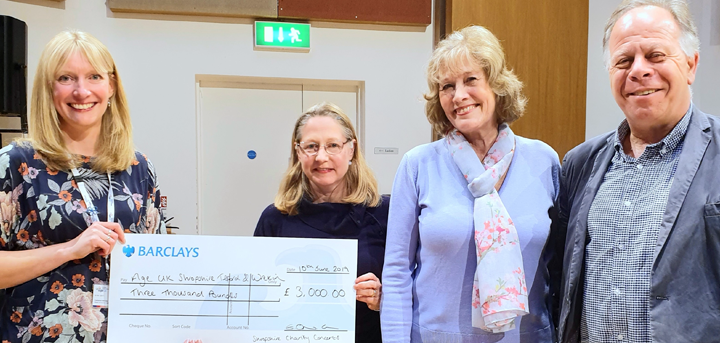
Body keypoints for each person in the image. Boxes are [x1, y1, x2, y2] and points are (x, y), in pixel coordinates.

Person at [552, 0, 720, 342]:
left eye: (656, 55)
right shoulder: (579, 163)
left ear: (690, 64)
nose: (638, 71)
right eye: (624, 60)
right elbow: (560, 279)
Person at [381, 25, 560, 342]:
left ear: (496, 84)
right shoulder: (418, 165)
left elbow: (560, 268)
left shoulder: (543, 161)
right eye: (447, 86)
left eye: (470, 80)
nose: (458, 95)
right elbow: (396, 273)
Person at [0, 30, 165, 342]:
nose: (81, 90)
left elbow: (159, 265)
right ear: (48, 88)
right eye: (66, 78)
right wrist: (68, 249)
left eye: (94, 76)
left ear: (112, 85)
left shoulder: (139, 167)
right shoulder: (16, 163)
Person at [254, 102, 389, 343]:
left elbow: (415, 288)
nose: (321, 156)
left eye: (333, 145)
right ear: (298, 152)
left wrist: (384, 299)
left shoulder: (384, 213)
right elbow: (256, 296)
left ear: (351, 150)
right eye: (311, 146)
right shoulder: (275, 219)